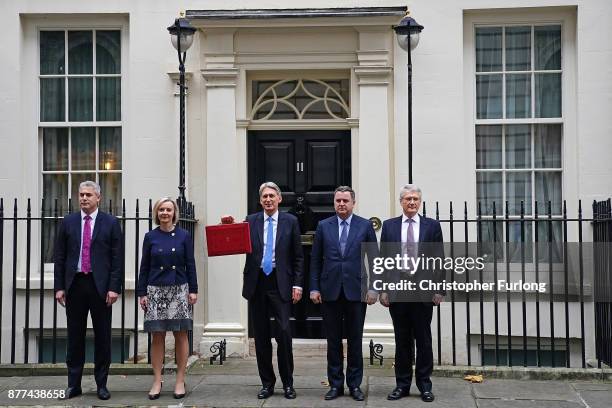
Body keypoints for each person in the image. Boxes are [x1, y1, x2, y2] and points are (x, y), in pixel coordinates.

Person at [224, 181, 303, 400]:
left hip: (281, 283)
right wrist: (228, 225)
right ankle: (267, 383)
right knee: (260, 337)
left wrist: (298, 284)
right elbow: (233, 240)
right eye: (264, 196)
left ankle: (288, 383)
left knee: (284, 334)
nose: (268, 199)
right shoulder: (251, 220)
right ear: (260, 201)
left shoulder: (291, 221)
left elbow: (298, 256)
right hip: (257, 283)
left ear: (279, 198)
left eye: (271, 196)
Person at [54, 181, 123, 400]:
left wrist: (114, 288)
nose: (84, 198)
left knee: (103, 337)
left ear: (98, 198)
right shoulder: (68, 222)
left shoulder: (110, 223)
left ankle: (101, 384)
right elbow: (60, 257)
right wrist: (59, 287)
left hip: (99, 286)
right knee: (75, 337)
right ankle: (73, 385)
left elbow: (117, 258)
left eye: (88, 195)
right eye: (81, 194)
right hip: (75, 285)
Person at [310, 186, 378, 401]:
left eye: (345, 201)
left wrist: (374, 287)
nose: (341, 204)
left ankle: (355, 385)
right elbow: (315, 259)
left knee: (355, 340)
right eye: (338, 200)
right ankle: (335, 384)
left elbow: (375, 259)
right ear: (334, 202)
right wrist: (314, 287)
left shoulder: (365, 225)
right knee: (333, 341)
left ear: (353, 203)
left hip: (356, 291)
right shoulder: (323, 226)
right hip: (330, 290)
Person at [379, 184, 444, 403]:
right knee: (402, 340)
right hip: (398, 291)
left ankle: (425, 385)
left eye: (415, 199)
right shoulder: (389, 227)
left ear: (420, 202)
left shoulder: (431, 226)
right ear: (401, 202)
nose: (412, 202)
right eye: (408, 199)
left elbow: (439, 258)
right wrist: (384, 290)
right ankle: (402, 385)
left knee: (424, 340)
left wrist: (439, 289)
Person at [137, 197, 198, 400]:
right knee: (157, 336)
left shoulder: (183, 236)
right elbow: (144, 266)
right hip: (156, 290)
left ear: (174, 213)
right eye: (161, 209)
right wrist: (142, 292)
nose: (165, 213)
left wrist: (193, 290)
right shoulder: (150, 237)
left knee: (181, 334)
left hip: (179, 289)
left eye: (168, 209)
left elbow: (191, 264)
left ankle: (180, 379)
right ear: (157, 213)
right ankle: (157, 380)